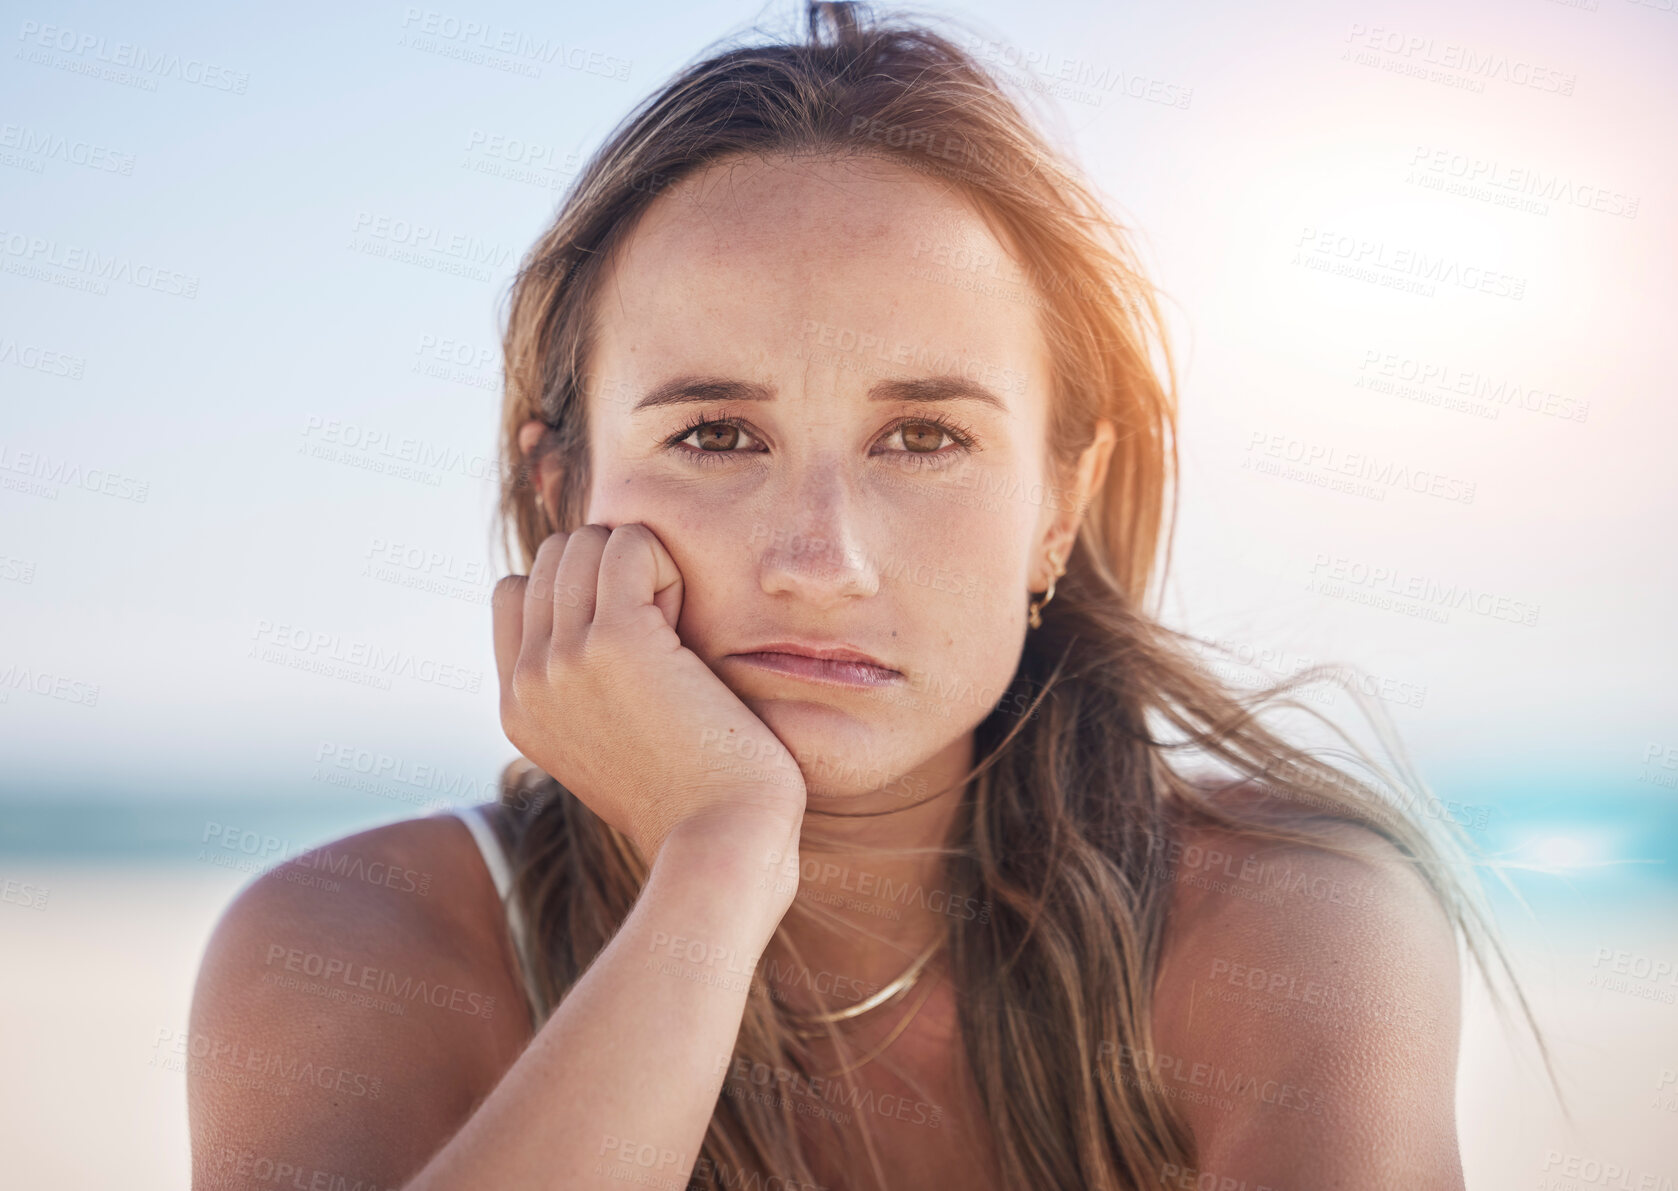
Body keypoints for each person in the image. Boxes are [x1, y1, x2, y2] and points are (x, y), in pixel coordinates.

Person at [188, 4, 1552, 1188]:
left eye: (925, 438)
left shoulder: (1277, 922)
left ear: (1057, 507)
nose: (820, 557)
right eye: (716, 435)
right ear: (564, 491)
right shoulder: (352, 946)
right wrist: (716, 865)